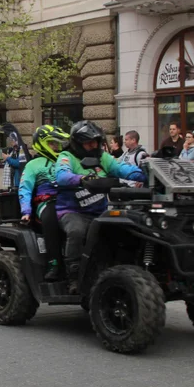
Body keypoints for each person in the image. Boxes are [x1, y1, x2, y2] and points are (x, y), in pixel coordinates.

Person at [56, 121, 143, 293]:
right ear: (78, 142)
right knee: (76, 231)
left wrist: (144, 173)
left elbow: (121, 168)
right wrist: (80, 179)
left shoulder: (102, 157)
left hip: (99, 212)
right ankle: (73, 276)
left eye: (96, 141)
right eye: (89, 142)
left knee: (124, 229)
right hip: (72, 211)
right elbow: (61, 175)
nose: (94, 145)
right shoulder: (66, 156)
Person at [19, 125, 70, 282]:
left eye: (58, 143)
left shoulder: (67, 160)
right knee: (51, 218)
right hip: (47, 202)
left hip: (70, 200)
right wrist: (26, 211)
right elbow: (25, 189)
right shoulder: (33, 165)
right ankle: (53, 263)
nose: (57, 146)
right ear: (42, 143)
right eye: (52, 143)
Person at [0, 125, 31, 191]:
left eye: (12, 140)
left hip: (19, 181)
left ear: (16, 140)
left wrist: (8, 158)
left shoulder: (21, 149)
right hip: (14, 181)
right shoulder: (14, 149)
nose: (11, 142)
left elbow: (19, 163)